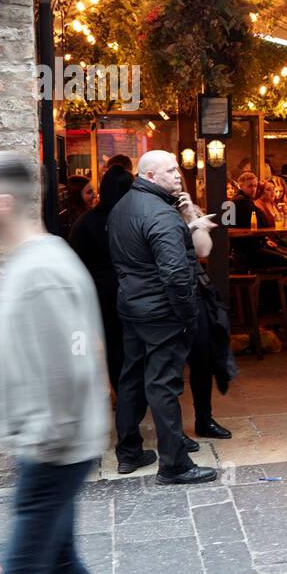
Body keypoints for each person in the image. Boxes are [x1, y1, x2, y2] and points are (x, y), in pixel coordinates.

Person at [0, 152, 122, 574]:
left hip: (52, 452)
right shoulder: (32, 261)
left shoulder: (40, 271)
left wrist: (37, 440)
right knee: (61, 562)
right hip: (55, 448)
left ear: (0, 203)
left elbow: (74, 366)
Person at [107, 150, 217, 485]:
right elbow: (175, 275)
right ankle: (174, 464)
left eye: (176, 170)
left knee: (132, 376)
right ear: (150, 176)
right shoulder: (161, 215)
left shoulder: (123, 206)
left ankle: (129, 452)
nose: (178, 175)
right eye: (170, 171)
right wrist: (187, 316)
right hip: (160, 312)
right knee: (162, 384)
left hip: (132, 306)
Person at [69, 165, 134, 390]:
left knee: (113, 344)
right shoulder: (135, 220)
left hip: (101, 292)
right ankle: (136, 394)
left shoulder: (86, 222)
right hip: (134, 289)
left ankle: (123, 392)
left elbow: (75, 260)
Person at [177, 187, 232, 441]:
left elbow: (204, 251)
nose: (176, 179)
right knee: (172, 365)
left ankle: (204, 419)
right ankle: (174, 430)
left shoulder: (191, 212)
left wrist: (190, 215)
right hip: (168, 295)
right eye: (171, 174)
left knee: (202, 358)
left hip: (196, 290)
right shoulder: (152, 212)